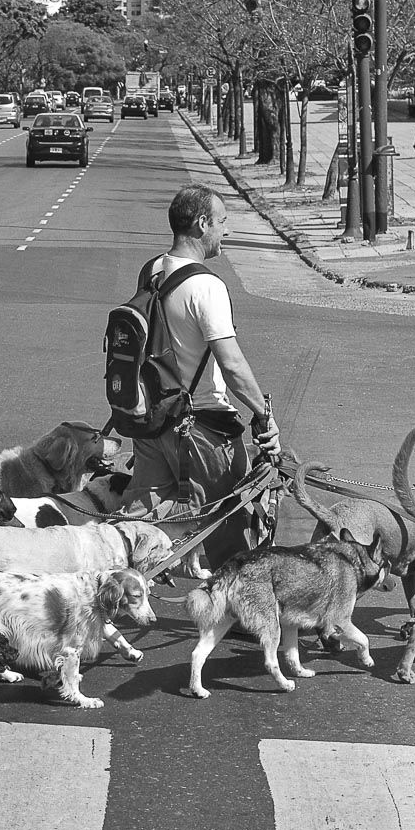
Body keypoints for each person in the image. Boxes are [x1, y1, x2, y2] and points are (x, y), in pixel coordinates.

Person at [119, 184, 282, 569]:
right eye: (223, 222)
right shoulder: (206, 286)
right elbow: (232, 366)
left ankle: (116, 586)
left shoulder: (152, 270)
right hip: (201, 428)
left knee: (143, 521)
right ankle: (239, 602)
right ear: (202, 223)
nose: (227, 230)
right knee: (230, 528)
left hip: (153, 421)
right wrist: (264, 415)